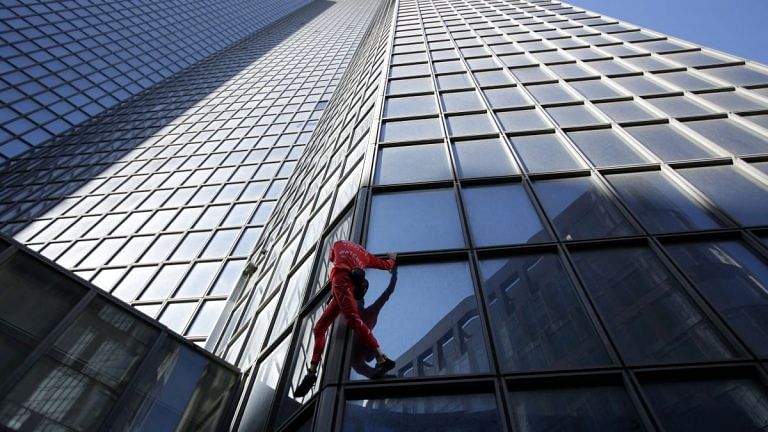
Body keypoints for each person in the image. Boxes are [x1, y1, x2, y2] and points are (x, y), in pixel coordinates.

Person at [293, 240, 397, 397]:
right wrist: (393, 259)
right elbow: (387, 266)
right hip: (345, 285)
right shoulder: (366, 256)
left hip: (340, 282)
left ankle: (382, 359)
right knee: (323, 326)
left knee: (337, 324)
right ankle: (312, 372)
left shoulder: (338, 243)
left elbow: (331, 259)